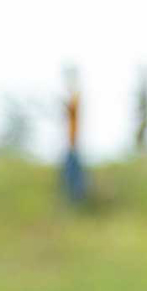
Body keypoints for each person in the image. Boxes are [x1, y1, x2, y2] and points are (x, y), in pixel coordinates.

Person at [60, 65, 89, 206]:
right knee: (68, 179)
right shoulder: (74, 98)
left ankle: (77, 203)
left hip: (73, 145)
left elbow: (72, 108)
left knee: (74, 181)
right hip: (71, 145)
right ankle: (74, 203)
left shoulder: (76, 98)